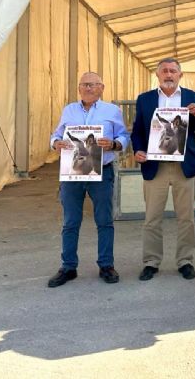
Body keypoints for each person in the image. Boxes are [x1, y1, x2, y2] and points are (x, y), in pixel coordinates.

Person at [48, 72, 130, 288]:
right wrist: (55, 143)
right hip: (72, 172)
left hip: (101, 171)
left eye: (93, 85)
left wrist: (113, 144)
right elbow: (56, 135)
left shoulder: (112, 111)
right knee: (70, 221)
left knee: (104, 221)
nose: (88, 88)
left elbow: (124, 137)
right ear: (79, 88)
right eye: (84, 85)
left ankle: (106, 265)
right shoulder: (69, 110)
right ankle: (68, 267)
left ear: (102, 88)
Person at [131, 58, 195, 281]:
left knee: (186, 218)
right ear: (157, 74)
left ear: (180, 75)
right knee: (152, 218)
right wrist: (137, 150)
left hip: (184, 166)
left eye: (173, 71)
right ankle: (151, 262)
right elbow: (137, 131)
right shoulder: (145, 99)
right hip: (156, 166)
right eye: (164, 70)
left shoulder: (193, 97)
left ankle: (185, 261)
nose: (168, 74)